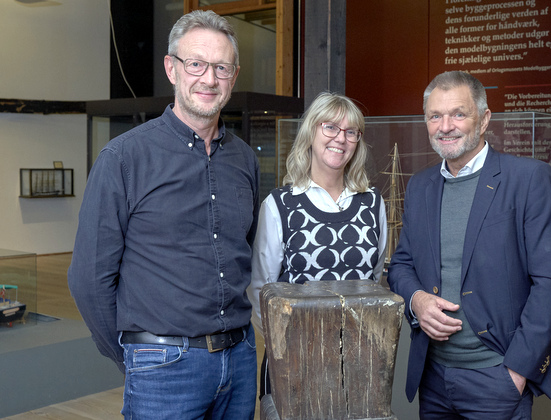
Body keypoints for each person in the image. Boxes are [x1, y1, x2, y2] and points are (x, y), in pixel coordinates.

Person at [67, 10, 260, 419]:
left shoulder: (244, 159)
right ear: (172, 68)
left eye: (221, 68)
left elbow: (244, 248)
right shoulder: (124, 158)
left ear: (234, 75)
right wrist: (136, 357)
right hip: (164, 367)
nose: (209, 79)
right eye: (196, 64)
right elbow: (89, 278)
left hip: (240, 360)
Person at [387, 71, 551, 419]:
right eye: (435, 116)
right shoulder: (420, 186)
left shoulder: (529, 179)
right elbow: (401, 265)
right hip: (433, 377)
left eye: (458, 113)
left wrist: (516, 372)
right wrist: (417, 299)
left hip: (498, 377)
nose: (446, 126)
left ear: (484, 119)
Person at [247, 91, 387, 398]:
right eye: (331, 127)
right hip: (294, 364)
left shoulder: (372, 203)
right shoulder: (279, 205)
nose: (341, 138)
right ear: (311, 131)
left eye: (351, 131)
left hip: (358, 362)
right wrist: (285, 347)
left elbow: (374, 281)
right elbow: (261, 290)